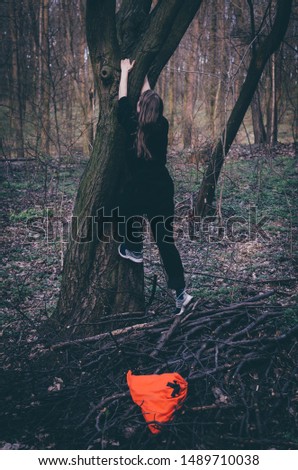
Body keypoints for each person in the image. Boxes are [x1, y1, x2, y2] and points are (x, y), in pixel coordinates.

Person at [117, 58, 193, 315]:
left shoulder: (130, 126)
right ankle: (181, 293)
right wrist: (144, 70)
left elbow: (122, 100)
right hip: (161, 191)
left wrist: (125, 72)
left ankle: (134, 247)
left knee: (120, 208)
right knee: (165, 242)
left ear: (139, 108)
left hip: (139, 192)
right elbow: (145, 97)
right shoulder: (163, 126)